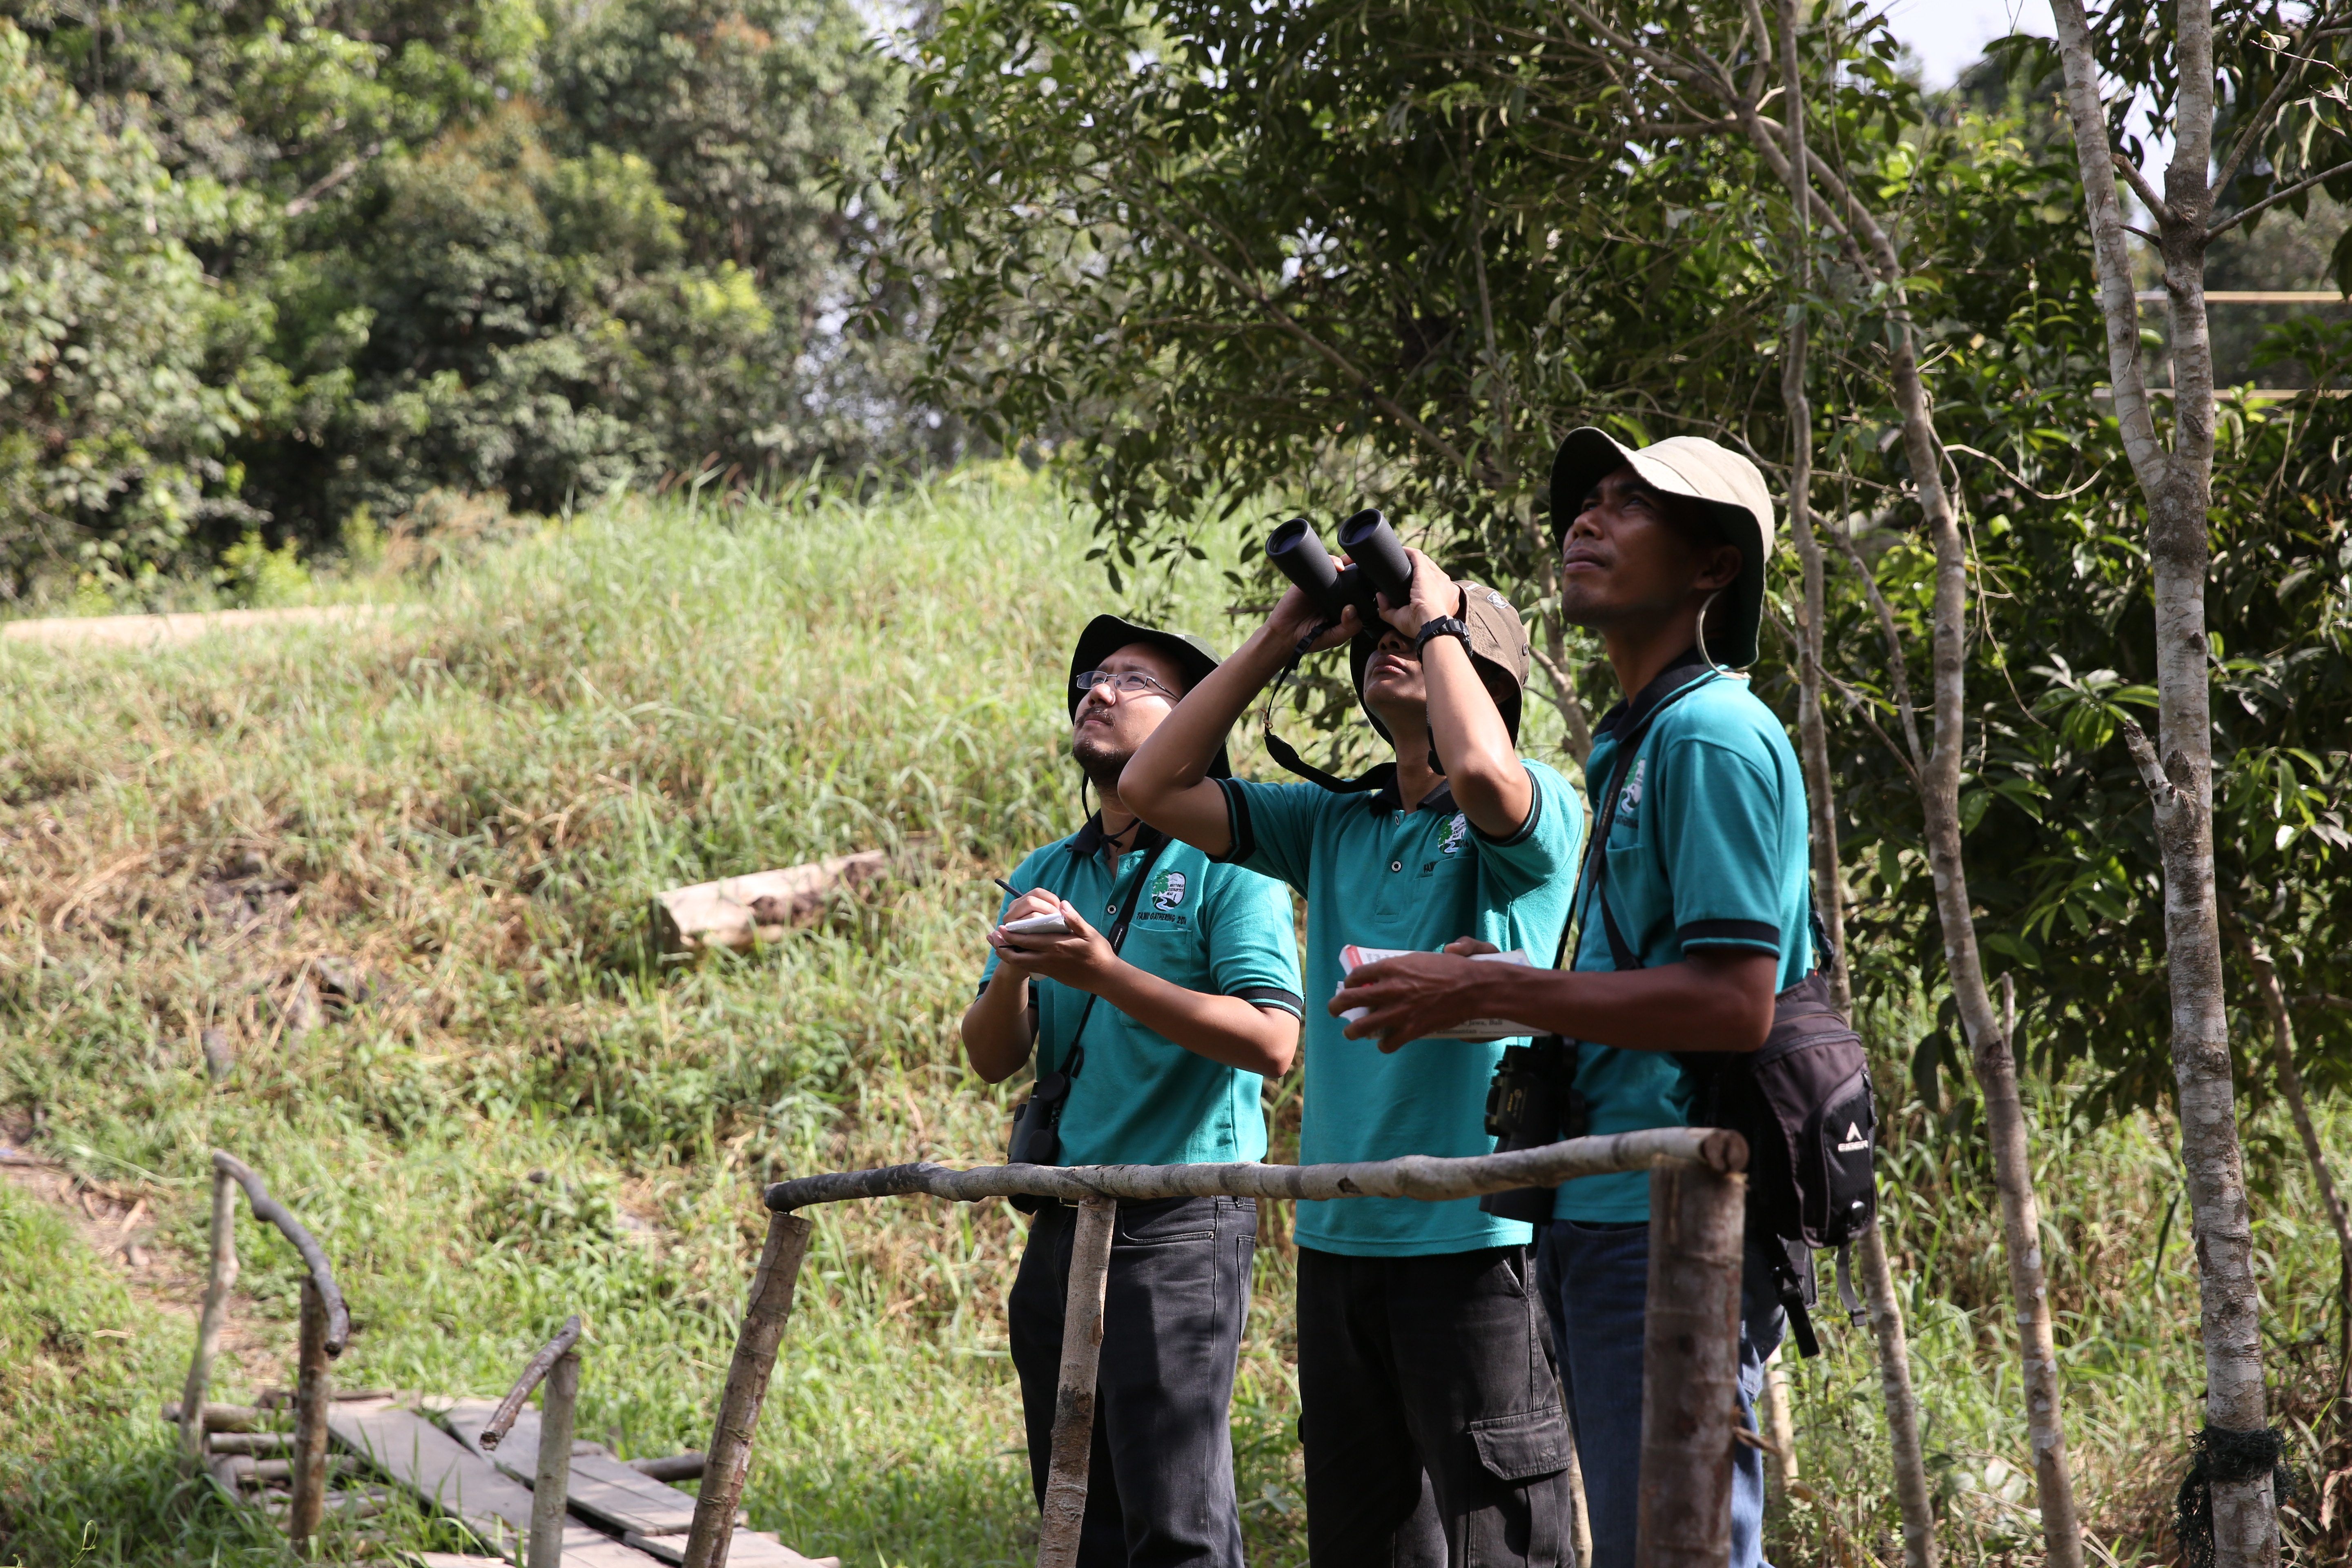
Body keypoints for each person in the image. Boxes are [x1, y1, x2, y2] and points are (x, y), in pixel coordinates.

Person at [1328, 431, 1811, 1568]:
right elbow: (1644, 985)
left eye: (1629, 505)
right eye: (1584, 502)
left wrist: (1507, 983)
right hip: (1610, 1208)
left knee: (1674, 1548)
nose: (1585, 522)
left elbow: (1738, 1001)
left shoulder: (1712, 736)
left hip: (1674, 1220)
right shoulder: (1632, 742)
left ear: (1712, 567)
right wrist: (1500, 997)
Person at [1121, 548, 1581, 1566]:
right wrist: (1284, 631)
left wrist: (1433, 620)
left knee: (1504, 1545)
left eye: (1411, 640)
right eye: (1373, 641)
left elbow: (1480, 775)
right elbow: (1154, 782)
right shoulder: (1337, 822)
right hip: (1340, 1241)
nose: (1390, 648)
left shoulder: (1536, 807)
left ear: (1480, 671)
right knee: (1367, 1545)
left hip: (1479, 1240)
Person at [962, 614, 1305, 1568]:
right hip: (1068, 1218)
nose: (1095, 692)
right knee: (1076, 1513)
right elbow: (992, 1058)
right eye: (1088, 679)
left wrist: (1104, 971)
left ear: (1195, 716)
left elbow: (1274, 1042)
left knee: (1177, 1524)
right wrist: (1013, 972)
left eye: (1128, 678)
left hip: (1183, 1218)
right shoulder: (1047, 873)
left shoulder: (1231, 862)